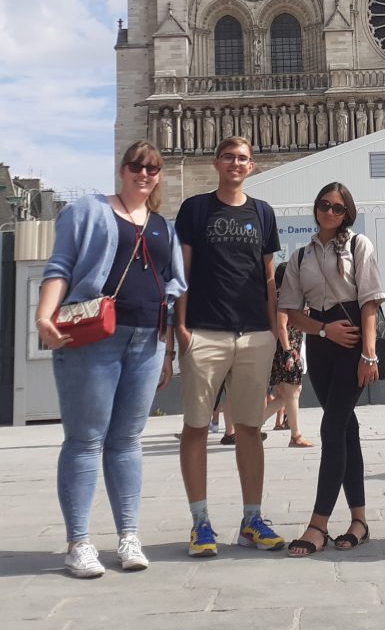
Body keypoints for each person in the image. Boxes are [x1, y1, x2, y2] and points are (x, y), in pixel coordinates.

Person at [36, 141, 186, 578]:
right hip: (93, 338)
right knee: (85, 439)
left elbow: (174, 286)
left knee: (127, 441)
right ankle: (79, 542)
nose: (145, 174)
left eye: (153, 169)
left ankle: (128, 535)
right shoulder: (90, 210)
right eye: (136, 166)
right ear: (122, 171)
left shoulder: (163, 226)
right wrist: (45, 316)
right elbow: (60, 266)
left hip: (147, 341)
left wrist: (167, 349)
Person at [174, 136, 283, 557]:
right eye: (229, 157)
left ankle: (251, 520)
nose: (236, 164)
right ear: (216, 162)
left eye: (243, 159)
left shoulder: (263, 212)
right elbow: (181, 271)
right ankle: (201, 523)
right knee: (197, 427)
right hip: (206, 331)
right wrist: (181, 327)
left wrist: (276, 333)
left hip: (255, 332)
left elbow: (269, 277)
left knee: (251, 429)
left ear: (253, 166)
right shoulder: (195, 208)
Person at [280, 183, 385, 555]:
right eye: (324, 205)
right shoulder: (300, 256)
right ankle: (359, 521)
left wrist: (368, 353)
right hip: (323, 340)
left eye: (338, 208)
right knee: (345, 428)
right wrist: (324, 329)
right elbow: (291, 310)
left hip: (356, 337)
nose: (330, 212)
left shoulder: (359, 245)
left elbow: (371, 300)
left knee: (331, 425)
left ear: (348, 213)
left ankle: (317, 525)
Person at [263, 262, 312, 447]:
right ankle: (296, 435)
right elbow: (281, 326)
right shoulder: (284, 295)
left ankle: (251, 426)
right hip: (286, 350)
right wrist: (288, 351)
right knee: (292, 390)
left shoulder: (277, 295)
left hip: (284, 349)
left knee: (289, 392)